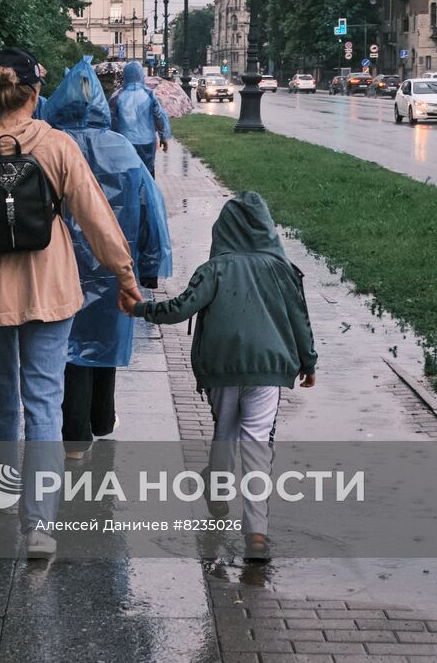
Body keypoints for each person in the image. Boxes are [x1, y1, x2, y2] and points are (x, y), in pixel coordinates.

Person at [0, 47, 142, 559]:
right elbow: (94, 216)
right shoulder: (57, 145)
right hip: (50, 289)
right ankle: (40, 523)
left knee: (0, 398)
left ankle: (3, 495)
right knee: (44, 402)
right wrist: (125, 276)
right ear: (35, 92)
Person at [134, 191, 317, 562]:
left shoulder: (214, 269)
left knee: (225, 431)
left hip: (220, 366)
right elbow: (300, 318)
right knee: (256, 442)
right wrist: (308, 362)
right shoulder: (282, 269)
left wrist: (141, 309)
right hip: (268, 368)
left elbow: (181, 308)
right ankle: (257, 533)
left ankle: (218, 491)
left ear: (224, 228)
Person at [44, 59, 173, 459]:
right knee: (105, 341)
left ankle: (75, 435)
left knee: (69, 351)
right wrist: (148, 268)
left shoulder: (48, 147)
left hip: (58, 268)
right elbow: (151, 208)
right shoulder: (121, 149)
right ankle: (102, 418)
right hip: (116, 265)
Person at [111, 61, 171, 176]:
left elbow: (112, 120)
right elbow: (158, 116)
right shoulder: (149, 94)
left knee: (128, 175)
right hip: (147, 141)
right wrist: (163, 137)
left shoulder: (117, 96)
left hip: (125, 142)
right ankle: (148, 193)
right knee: (147, 174)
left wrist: (113, 139)